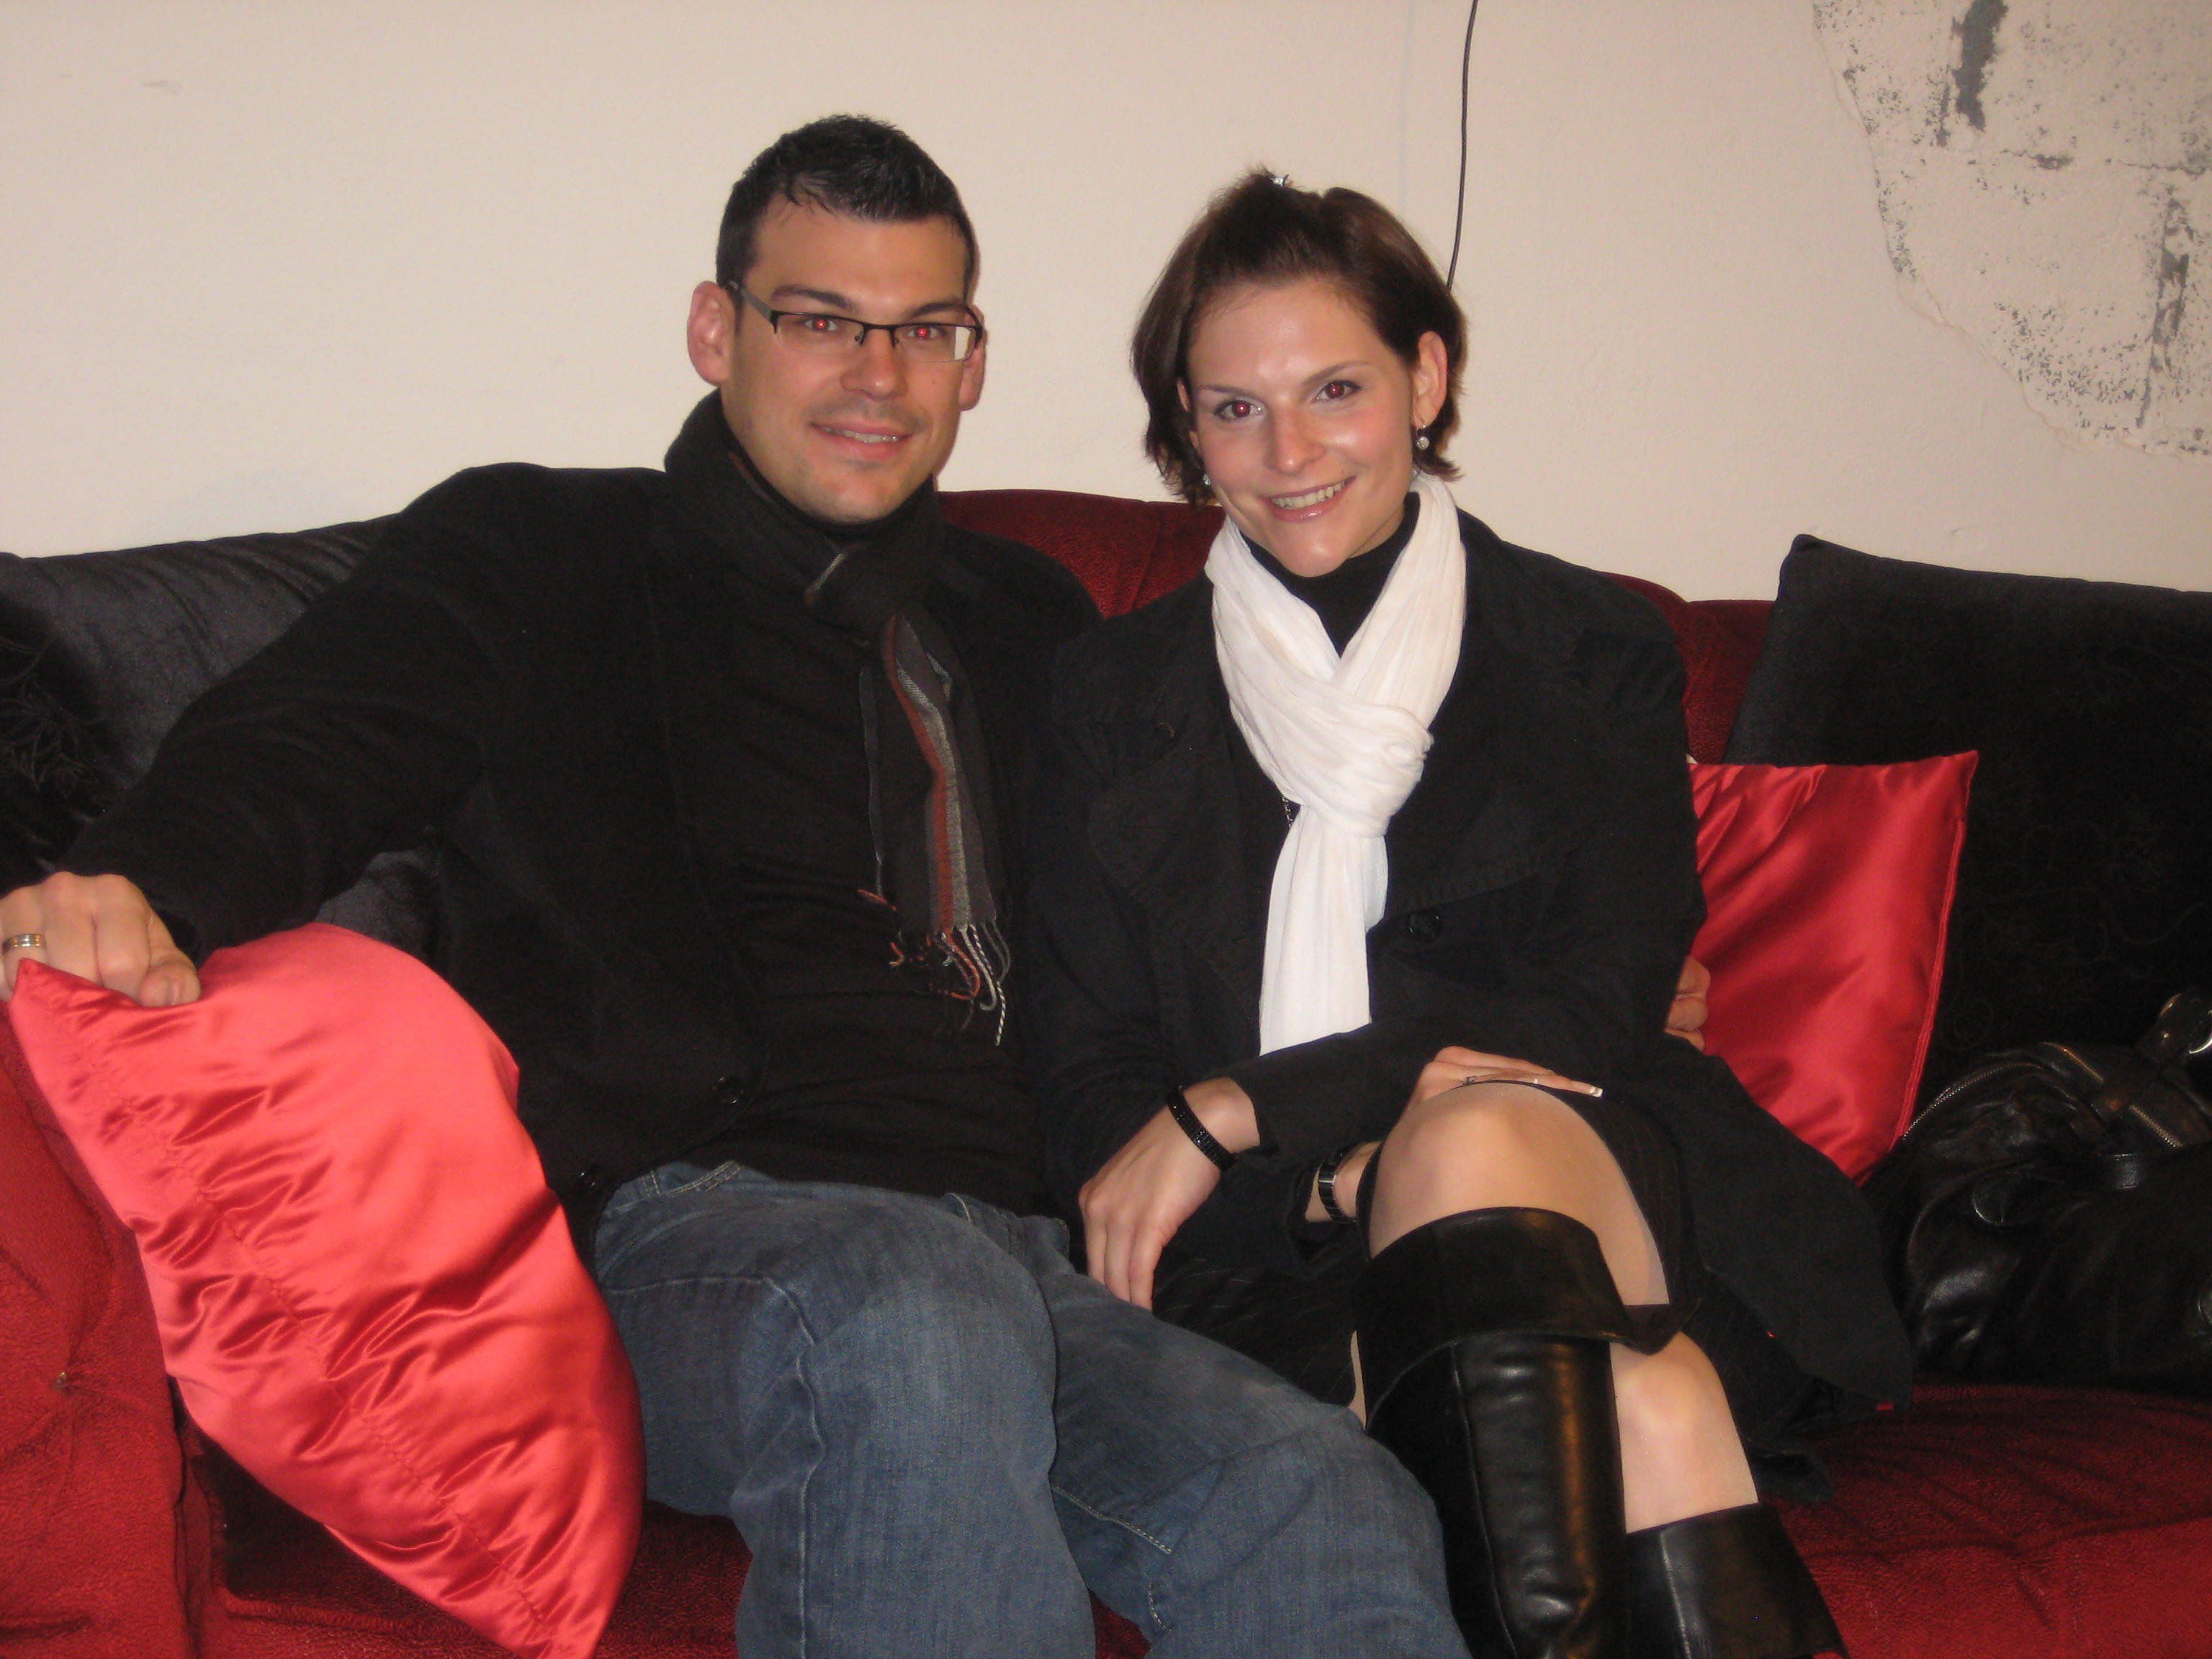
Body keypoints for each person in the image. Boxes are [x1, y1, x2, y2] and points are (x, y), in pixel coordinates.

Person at [0, 122, 1473, 1659]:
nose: (877, 376)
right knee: (908, 1311)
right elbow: (312, 737)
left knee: (1323, 1493)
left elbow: (1204, 907)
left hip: (1027, 1257)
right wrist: (135, 884)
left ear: (973, 363)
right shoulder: (550, 553)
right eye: (821, 319)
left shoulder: (1029, 621)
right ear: (717, 330)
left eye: (924, 332)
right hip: (691, 1232)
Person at [1024, 172, 1914, 1659]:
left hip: (1615, 1193)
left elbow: (1600, 1002)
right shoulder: (1107, 699)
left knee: (1478, 1136)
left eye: (1336, 389)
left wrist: (1246, 1105)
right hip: (1273, 1266)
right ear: (1187, 423)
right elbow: (1088, 1094)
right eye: (1235, 408)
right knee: (1647, 1401)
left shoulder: (1591, 647)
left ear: (1425, 378)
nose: (1289, 452)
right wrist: (1335, 1177)